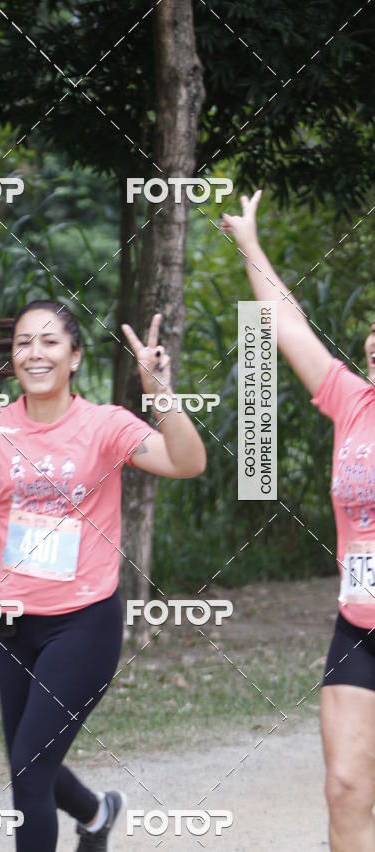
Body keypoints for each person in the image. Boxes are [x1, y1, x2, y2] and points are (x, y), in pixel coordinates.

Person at [0, 299, 206, 851]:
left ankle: (90, 817)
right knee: (30, 759)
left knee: (29, 767)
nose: (34, 352)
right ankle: (96, 815)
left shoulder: (105, 425)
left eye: (49, 341)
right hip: (12, 623)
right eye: (24, 342)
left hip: (83, 623)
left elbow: (187, 462)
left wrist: (157, 390)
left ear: (74, 357)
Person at [222, 191, 375, 852]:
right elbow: (287, 328)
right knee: (343, 786)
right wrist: (250, 244)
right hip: (359, 623)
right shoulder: (352, 402)